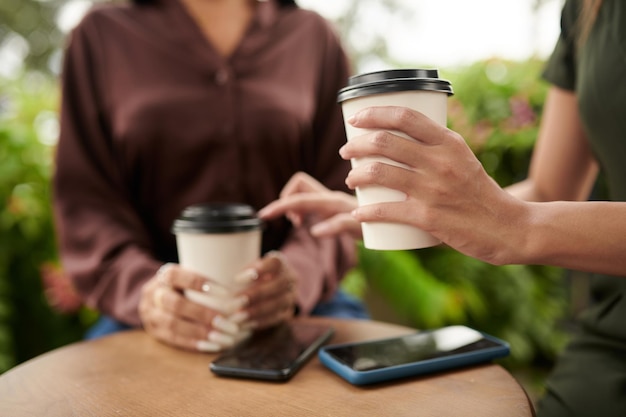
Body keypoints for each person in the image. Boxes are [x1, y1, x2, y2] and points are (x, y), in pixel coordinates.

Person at [260, 0, 626, 415]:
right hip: (608, 345)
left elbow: (523, 220)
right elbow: (548, 190)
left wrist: (517, 227)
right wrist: (408, 214)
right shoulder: (587, 8)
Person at [52, 0, 369, 354]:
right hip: (147, 317)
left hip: (303, 308)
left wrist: (296, 277)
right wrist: (147, 293)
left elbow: (336, 192)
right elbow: (86, 202)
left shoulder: (314, 37)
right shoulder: (101, 34)